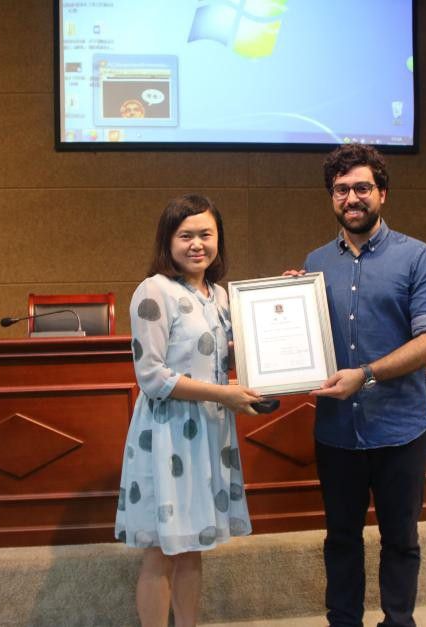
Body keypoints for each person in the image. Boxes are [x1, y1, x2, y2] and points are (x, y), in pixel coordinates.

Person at [297, 144, 426, 627]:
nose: (352, 198)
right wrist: (288, 301)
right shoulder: (316, 262)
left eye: (362, 187)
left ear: (382, 193)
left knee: (400, 540)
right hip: (337, 431)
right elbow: (307, 339)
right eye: (341, 190)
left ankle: (398, 621)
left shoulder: (417, 256)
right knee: (341, 539)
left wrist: (365, 374)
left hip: (400, 429)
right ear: (332, 198)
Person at [115, 193, 262, 627]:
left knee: (193, 545)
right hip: (169, 434)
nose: (197, 244)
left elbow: (221, 363)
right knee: (162, 550)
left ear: (219, 239)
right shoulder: (154, 291)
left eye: (206, 234)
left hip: (208, 433)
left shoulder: (219, 295)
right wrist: (223, 395)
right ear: (168, 240)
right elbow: (152, 377)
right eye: (185, 235)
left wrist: (288, 298)